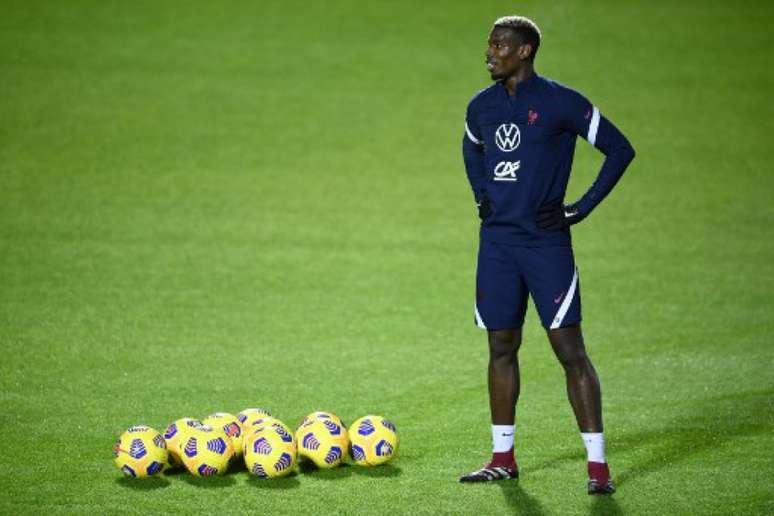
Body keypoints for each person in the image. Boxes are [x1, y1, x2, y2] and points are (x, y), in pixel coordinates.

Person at [458, 15, 635, 495]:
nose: (489, 53)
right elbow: (472, 148)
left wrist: (581, 208)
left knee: (569, 351)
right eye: (489, 44)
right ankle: (502, 458)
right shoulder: (482, 106)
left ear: (525, 51)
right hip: (496, 245)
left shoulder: (561, 102)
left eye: (498, 46)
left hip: (545, 245)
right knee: (500, 347)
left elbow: (620, 149)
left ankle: (597, 467)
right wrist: (481, 195)